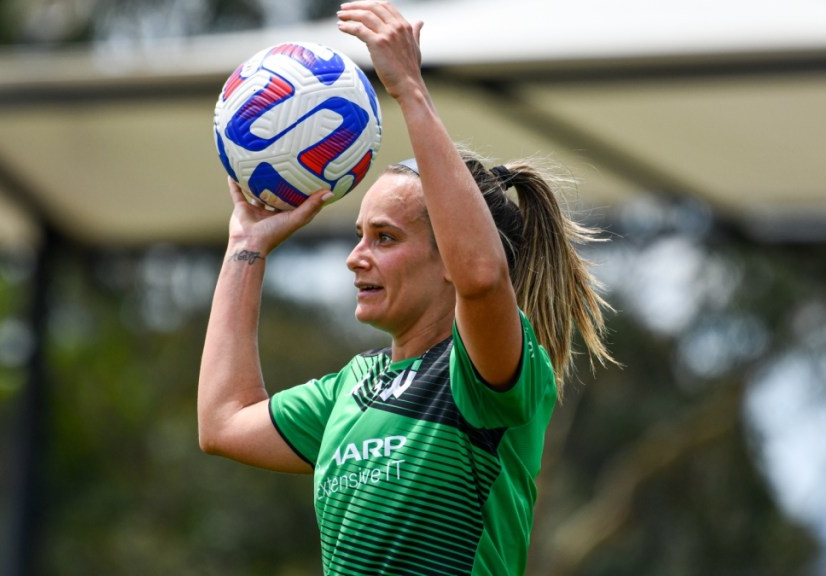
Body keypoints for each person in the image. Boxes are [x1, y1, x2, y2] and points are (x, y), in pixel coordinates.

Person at [198, 2, 616, 574]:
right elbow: (223, 421)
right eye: (360, 235)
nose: (356, 258)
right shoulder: (352, 388)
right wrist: (245, 246)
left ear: (449, 259)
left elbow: (483, 277)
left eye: (385, 238)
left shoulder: (483, 376)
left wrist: (411, 92)